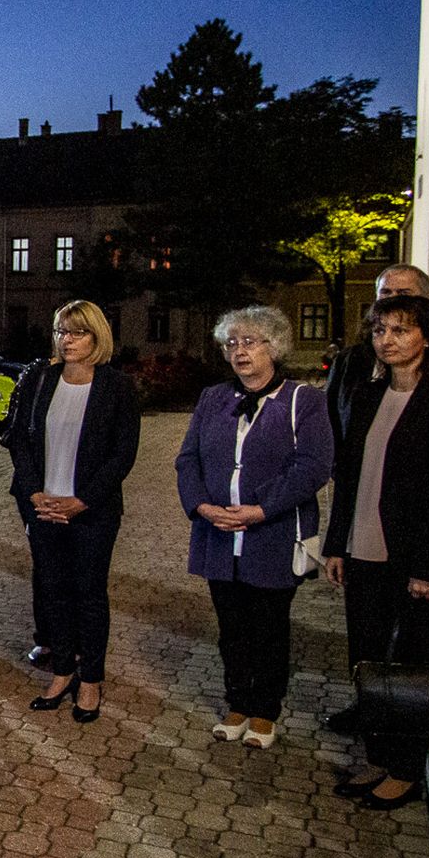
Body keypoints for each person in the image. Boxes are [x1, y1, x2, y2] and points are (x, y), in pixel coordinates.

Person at [321, 294, 429, 811]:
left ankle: (407, 769)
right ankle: (379, 754)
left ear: (427, 337)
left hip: (417, 558)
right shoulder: (367, 396)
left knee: (409, 665)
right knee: (366, 658)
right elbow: (347, 479)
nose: (386, 340)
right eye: (379, 331)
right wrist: (337, 544)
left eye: (400, 331)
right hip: (363, 546)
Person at [176, 307, 334, 749]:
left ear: (274, 347)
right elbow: (188, 458)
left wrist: (260, 510)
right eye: (232, 343)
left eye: (250, 342)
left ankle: (266, 709)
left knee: (268, 627)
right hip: (218, 535)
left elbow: (313, 466)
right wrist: (202, 505)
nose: (240, 351)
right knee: (231, 627)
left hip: (273, 536)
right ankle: (237, 702)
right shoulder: (213, 398)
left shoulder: (305, 401)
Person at [7, 301, 141, 724]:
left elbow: (123, 454)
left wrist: (82, 500)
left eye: (78, 332)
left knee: (88, 594)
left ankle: (91, 680)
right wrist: (34, 495)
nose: (68, 340)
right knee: (53, 592)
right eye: (62, 331)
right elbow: (21, 441)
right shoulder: (41, 379)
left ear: (97, 337)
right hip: (44, 508)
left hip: (91, 511)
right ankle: (62, 671)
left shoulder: (116, 386)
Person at [326, 264, 429, 462]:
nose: (393, 299)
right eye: (386, 292)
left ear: (427, 303)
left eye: (404, 293)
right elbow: (330, 422)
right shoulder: (349, 361)